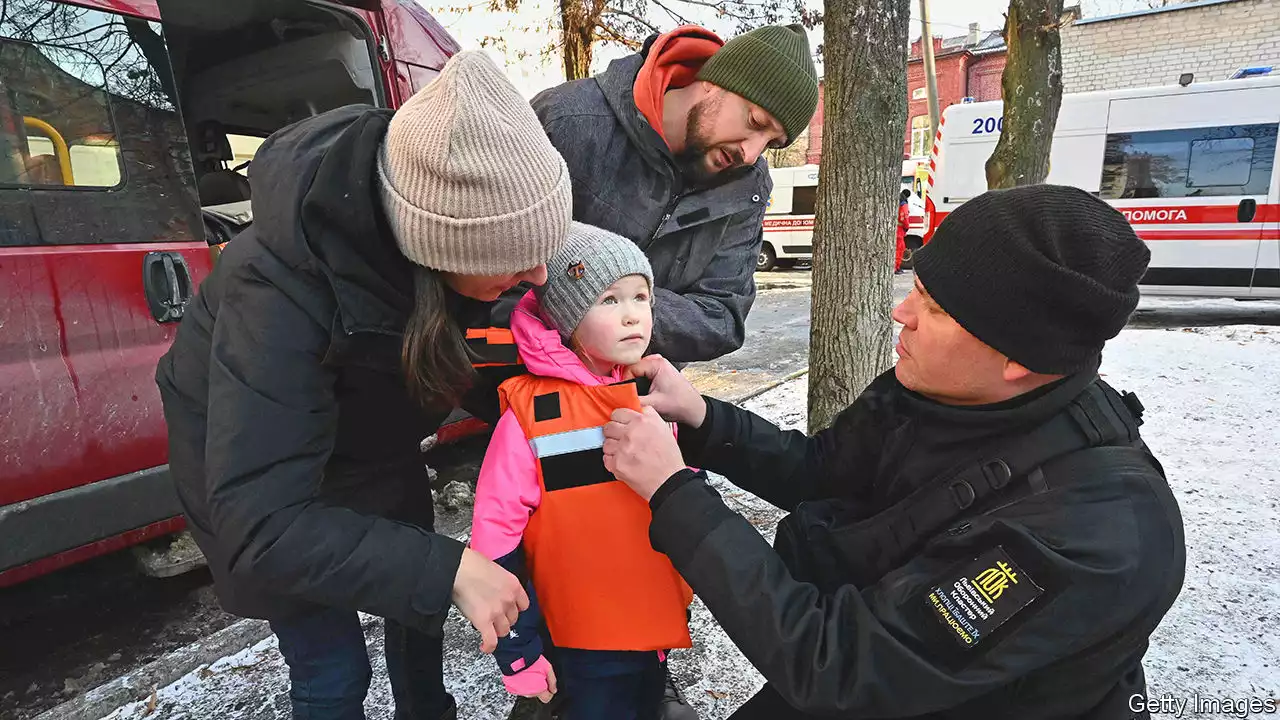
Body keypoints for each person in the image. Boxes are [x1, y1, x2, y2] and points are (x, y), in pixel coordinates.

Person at [601, 185, 1187, 719]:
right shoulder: (942, 389)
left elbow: (844, 669)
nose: (900, 313)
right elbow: (824, 470)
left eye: (933, 306)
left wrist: (676, 494)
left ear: (1019, 359)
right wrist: (702, 417)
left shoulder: (1089, 536)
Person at [155, 52, 574, 720]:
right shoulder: (274, 294)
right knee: (334, 668)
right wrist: (453, 570)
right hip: (256, 478)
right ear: (442, 250)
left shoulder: (445, 247)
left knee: (418, 611)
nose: (539, 275)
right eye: (514, 258)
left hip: (369, 435)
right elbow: (263, 528)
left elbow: (478, 355)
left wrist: (573, 405)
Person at [470, 223, 694, 719]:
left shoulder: (653, 394)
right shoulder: (531, 417)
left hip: (653, 624)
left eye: (641, 296)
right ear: (567, 320)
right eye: (609, 300)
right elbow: (494, 542)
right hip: (585, 638)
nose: (633, 314)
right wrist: (518, 649)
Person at [530, 24, 820, 363]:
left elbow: (723, 316)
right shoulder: (567, 119)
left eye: (772, 143)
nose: (752, 154)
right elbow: (492, 265)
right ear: (712, 82)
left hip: (638, 402)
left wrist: (624, 308)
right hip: (511, 388)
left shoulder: (748, 186)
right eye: (755, 122)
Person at [896, 188, 911, 273]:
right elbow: (905, 217)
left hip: (896, 228)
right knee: (900, 249)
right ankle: (896, 268)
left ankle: (896, 267)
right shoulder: (904, 204)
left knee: (897, 248)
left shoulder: (897, 202)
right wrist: (907, 227)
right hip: (900, 230)